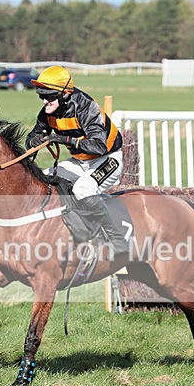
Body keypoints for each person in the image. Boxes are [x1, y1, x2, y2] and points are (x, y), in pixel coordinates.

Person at [26, 65, 128, 254]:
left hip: (107, 159)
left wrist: (63, 139)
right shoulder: (48, 112)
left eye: (49, 96)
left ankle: (117, 239)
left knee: (83, 188)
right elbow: (31, 138)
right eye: (41, 96)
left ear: (65, 94)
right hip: (80, 161)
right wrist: (35, 140)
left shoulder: (87, 107)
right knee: (42, 179)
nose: (44, 101)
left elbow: (99, 146)